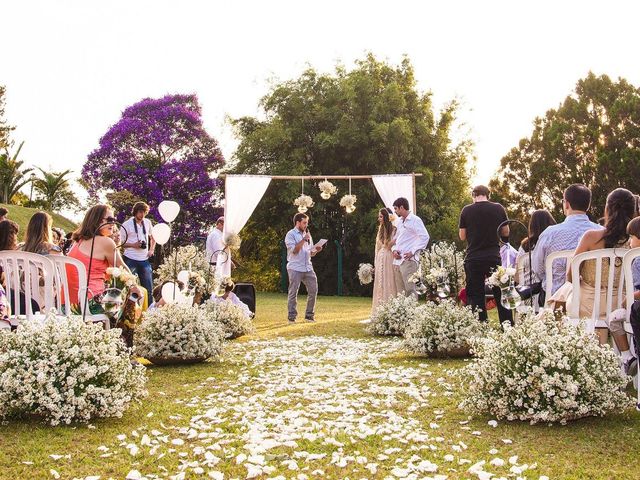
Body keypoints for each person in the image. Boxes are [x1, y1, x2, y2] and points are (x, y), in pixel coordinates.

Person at [548, 188, 637, 345]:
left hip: (588, 305)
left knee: (564, 292)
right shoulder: (636, 242)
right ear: (634, 211)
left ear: (607, 209)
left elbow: (570, 276)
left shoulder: (591, 237)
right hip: (624, 303)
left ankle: (562, 344)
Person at [531, 184, 602, 302]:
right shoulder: (601, 232)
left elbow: (537, 268)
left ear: (566, 204)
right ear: (588, 205)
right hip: (592, 299)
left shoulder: (550, 233)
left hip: (555, 298)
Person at [459, 185, 512, 325]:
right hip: (492, 256)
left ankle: (481, 325)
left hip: (473, 258)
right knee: (500, 291)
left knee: (476, 294)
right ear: (488, 195)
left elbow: (462, 236)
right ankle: (506, 324)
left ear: (473, 195)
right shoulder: (498, 208)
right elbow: (506, 231)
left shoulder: (466, 210)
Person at [67, 204, 133, 307]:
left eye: (114, 219)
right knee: (134, 297)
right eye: (110, 219)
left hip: (66, 303)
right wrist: (135, 285)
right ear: (97, 220)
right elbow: (123, 269)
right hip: (91, 302)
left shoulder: (78, 241)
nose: (113, 223)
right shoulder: (106, 242)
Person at [284, 213, 322, 323]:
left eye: (307, 223)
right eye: (304, 222)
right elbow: (294, 250)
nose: (306, 225)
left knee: (313, 290)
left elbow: (310, 252)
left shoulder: (307, 235)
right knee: (293, 292)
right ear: (298, 223)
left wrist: (316, 250)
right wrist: (304, 240)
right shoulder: (290, 234)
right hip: (295, 267)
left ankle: (309, 316)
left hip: (308, 267)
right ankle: (292, 317)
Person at [391, 197, 429, 297]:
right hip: (398, 261)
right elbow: (396, 239)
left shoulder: (415, 220)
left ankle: (412, 312)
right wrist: (394, 250)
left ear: (402, 207)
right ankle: (402, 312)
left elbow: (425, 237)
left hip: (409, 261)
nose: (395, 211)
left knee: (410, 290)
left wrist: (413, 251)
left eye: (396, 208)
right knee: (400, 292)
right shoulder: (399, 221)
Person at [515, 209, 556, 299]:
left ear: (532, 225)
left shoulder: (525, 246)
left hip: (529, 295)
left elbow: (517, 276)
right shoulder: (555, 244)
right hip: (551, 290)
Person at [120, 202, 155, 297]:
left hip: (144, 259)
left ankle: (149, 310)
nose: (142, 214)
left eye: (144, 212)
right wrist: (133, 245)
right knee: (129, 288)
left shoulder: (147, 222)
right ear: (135, 212)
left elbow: (153, 237)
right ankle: (129, 310)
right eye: (140, 212)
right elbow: (121, 244)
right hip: (130, 259)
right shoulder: (126, 224)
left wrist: (151, 250)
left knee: (148, 288)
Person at [372, 207, 398, 311]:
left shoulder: (394, 229)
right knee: (380, 282)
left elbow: (391, 245)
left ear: (386, 217)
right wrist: (375, 263)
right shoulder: (380, 230)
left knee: (389, 280)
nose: (379, 218)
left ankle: (389, 308)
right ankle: (379, 308)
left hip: (389, 257)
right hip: (380, 257)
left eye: (381, 216)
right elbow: (377, 248)